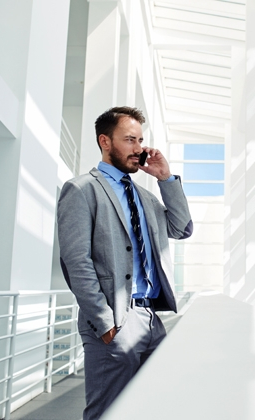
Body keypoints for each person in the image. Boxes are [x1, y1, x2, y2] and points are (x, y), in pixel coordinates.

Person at [57, 106, 193, 419]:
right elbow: (77, 261)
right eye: (130, 140)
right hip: (116, 319)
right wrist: (105, 322)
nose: (139, 148)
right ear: (105, 142)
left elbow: (181, 228)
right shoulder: (81, 190)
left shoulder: (146, 197)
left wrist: (165, 178)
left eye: (141, 139)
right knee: (107, 411)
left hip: (151, 318)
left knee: (153, 409)